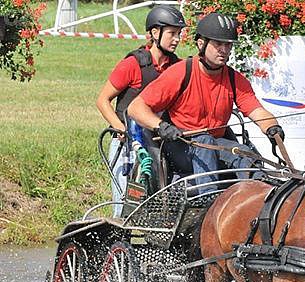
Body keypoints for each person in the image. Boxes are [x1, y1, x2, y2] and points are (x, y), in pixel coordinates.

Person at [128, 12, 285, 195]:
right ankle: (208, 200)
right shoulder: (180, 73)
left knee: (244, 152)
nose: (224, 50)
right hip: (179, 146)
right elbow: (135, 108)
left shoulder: (235, 79)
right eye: (218, 44)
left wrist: (272, 126)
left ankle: (263, 196)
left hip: (215, 144)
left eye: (228, 45)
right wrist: (161, 126)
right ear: (201, 44)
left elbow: (257, 111)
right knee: (204, 141)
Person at [96, 5, 185, 217]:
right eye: (172, 33)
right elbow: (102, 100)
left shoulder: (178, 67)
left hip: (159, 142)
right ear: (155, 33)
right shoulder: (132, 64)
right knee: (126, 205)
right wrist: (120, 128)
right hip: (127, 144)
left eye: (179, 34)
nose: (177, 39)